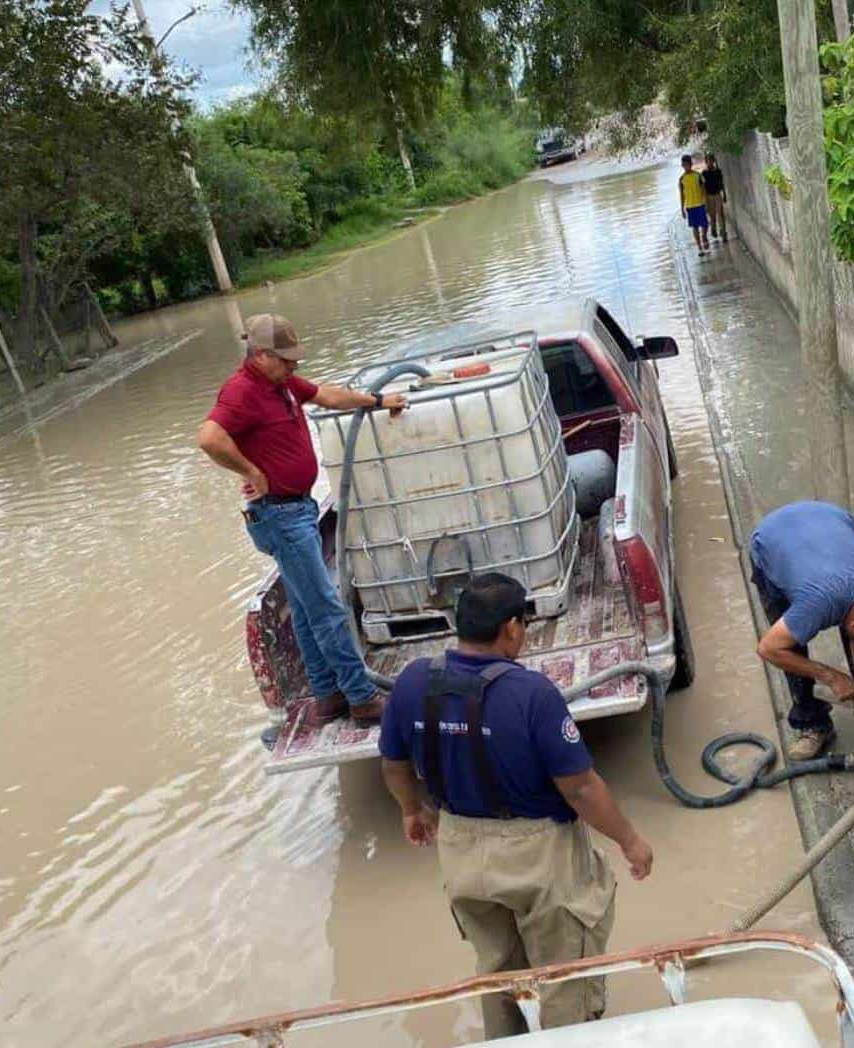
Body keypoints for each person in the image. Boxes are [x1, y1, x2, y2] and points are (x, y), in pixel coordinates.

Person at [379, 572, 653, 1039]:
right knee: (564, 973)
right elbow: (581, 789)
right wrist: (630, 840)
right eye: (523, 624)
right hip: (538, 853)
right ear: (510, 628)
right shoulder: (532, 694)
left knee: (498, 970)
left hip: (460, 849)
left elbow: (393, 762)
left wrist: (411, 810)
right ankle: (570, 1037)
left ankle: (505, 1039)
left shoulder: (411, 683)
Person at [197, 314, 407, 727]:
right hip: (280, 515)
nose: (294, 366)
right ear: (259, 355)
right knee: (326, 608)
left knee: (306, 607)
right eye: (285, 359)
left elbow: (327, 396)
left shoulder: (281, 384)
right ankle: (362, 699)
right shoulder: (241, 391)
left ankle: (328, 695)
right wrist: (250, 472)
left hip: (298, 509)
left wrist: (378, 402)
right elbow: (209, 438)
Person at [749, 501, 854, 760]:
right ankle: (812, 723)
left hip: (829, 519)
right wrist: (830, 676)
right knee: (790, 649)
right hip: (772, 538)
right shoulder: (817, 603)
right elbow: (768, 648)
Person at [678, 154, 711, 256]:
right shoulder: (681, 179)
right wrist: (682, 209)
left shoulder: (698, 175)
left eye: (687, 164)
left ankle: (704, 237)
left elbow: (704, 190)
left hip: (700, 204)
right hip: (690, 206)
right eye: (684, 164)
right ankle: (700, 247)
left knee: (705, 225)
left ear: (690, 164)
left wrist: (706, 203)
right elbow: (682, 195)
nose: (686, 166)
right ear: (682, 165)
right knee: (695, 227)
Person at [702, 153, 728, 242]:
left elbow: (722, 183)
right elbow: (703, 188)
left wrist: (724, 194)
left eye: (711, 160)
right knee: (712, 216)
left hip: (717, 195)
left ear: (713, 161)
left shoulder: (718, 171)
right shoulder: (704, 173)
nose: (710, 162)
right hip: (709, 196)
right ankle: (713, 228)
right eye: (708, 161)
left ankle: (723, 232)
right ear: (706, 162)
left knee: (720, 214)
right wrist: (705, 200)